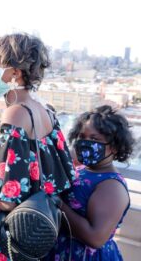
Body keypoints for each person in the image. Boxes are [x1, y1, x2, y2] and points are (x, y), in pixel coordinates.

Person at [0, 33, 76, 260]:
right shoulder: (45, 110)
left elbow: (6, 200)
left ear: (14, 73)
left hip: (7, 239)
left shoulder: (16, 113)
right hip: (36, 234)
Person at [46, 105, 134, 260]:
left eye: (94, 139)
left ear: (114, 146)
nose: (85, 143)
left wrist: (58, 203)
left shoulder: (111, 186)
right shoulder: (84, 169)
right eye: (82, 137)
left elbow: (95, 238)